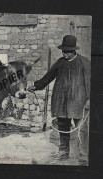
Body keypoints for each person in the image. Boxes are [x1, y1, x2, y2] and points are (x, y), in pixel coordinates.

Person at [28, 35, 90, 165]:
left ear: (74, 50)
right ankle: (63, 153)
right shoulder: (60, 62)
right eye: (63, 50)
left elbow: (90, 82)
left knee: (82, 129)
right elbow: (48, 76)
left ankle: (84, 155)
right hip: (61, 101)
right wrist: (37, 85)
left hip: (78, 101)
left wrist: (89, 99)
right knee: (63, 126)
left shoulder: (84, 62)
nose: (64, 53)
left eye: (67, 51)